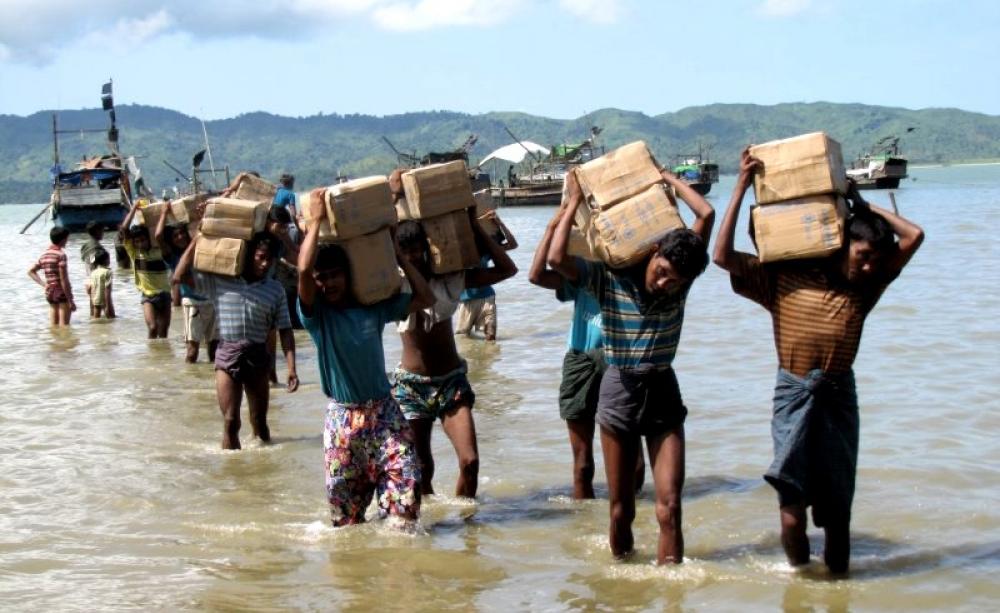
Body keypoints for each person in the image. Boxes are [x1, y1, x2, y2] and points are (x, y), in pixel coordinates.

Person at [712, 148, 924, 575]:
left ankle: (838, 591)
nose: (868, 266)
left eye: (874, 261)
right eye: (862, 256)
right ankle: (801, 583)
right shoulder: (782, 280)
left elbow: (914, 236)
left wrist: (860, 203)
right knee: (791, 506)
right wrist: (738, 187)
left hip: (839, 396)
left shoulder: (865, 291)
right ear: (840, 245)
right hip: (793, 394)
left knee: (838, 512)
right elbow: (721, 256)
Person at [548, 169, 715, 565]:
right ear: (654, 249)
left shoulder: (683, 282)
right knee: (621, 510)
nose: (665, 284)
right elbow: (556, 259)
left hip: (663, 391)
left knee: (669, 508)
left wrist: (667, 178)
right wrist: (572, 203)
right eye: (662, 273)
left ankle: (671, 594)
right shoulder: (609, 278)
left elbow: (705, 214)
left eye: (675, 281)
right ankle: (622, 592)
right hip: (619, 388)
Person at [297, 188, 435, 526]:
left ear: (348, 275)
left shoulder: (372, 310)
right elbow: (302, 272)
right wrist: (314, 221)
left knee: (405, 506)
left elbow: (425, 296)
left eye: (334, 275)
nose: (328, 283)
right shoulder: (318, 319)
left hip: (385, 414)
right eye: (322, 277)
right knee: (347, 523)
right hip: (343, 422)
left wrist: (398, 255)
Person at [392, 208, 517, 499]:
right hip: (411, 386)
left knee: (470, 461)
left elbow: (507, 269)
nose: (413, 257)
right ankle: (435, 533)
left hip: (451, 381)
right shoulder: (393, 286)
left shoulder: (449, 279)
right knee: (420, 468)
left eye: (417, 250)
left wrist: (474, 225)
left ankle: (468, 533)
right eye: (405, 252)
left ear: (427, 248)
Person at [529, 199, 644, 500]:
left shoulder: (638, 271)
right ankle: (585, 531)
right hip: (581, 359)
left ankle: (633, 521)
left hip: (624, 363)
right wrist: (553, 226)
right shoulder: (585, 273)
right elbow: (537, 275)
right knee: (583, 466)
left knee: (634, 463)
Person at [174, 231, 299, 449]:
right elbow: (180, 276)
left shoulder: (275, 289)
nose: (265, 263)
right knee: (231, 422)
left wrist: (291, 368)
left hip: (258, 356)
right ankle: (233, 478)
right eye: (260, 257)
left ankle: (263, 471)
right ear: (248, 255)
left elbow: (285, 330)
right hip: (227, 354)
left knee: (260, 424)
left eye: (269, 259)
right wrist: (197, 239)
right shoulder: (222, 282)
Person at [156, 204, 218, 363]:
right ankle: (189, 382)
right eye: (175, 236)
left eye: (182, 234)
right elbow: (158, 236)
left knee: (214, 352)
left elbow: (206, 232)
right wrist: (163, 213)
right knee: (192, 352)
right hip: (192, 303)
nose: (180, 238)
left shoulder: (199, 248)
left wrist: (203, 215)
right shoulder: (172, 256)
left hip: (212, 302)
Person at [454, 215, 518, 342]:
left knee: (490, 338)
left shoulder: (486, 251)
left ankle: (489, 360)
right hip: (465, 301)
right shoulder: (459, 254)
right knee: (463, 338)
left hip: (487, 298)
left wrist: (499, 223)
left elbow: (512, 244)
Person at [119, 202, 172, 338]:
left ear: (149, 239)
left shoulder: (159, 251)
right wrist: (133, 210)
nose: (140, 243)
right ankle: (152, 351)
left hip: (165, 294)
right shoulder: (134, 253)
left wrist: (164, 213)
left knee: (164, 332)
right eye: (137, 241)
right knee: (153, 327)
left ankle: (160, 356)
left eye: (143, 240)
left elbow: (161, 235)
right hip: (148, 296)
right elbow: (124, 229)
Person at [28, 226, 76, 326]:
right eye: (67, 239)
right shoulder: (61, 255)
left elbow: (31, 271)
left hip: (50, 291)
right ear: (63, 240)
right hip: (60, 291)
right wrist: (70, 300)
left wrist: (44, 285)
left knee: (54, 326)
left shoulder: (44, 255)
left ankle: (53, 341)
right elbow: (63, 279)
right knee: (64, 327)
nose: (67, 241)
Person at [87, 250, 114, 319]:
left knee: (96, 319)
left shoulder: (93, 272)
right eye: (109, 259)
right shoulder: (108, 272)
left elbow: (89, 288)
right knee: (111, 318)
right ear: (106, 260)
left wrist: (92, 298)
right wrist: (108, 305)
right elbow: (107, 289)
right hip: (104, 299)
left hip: (95, 298)